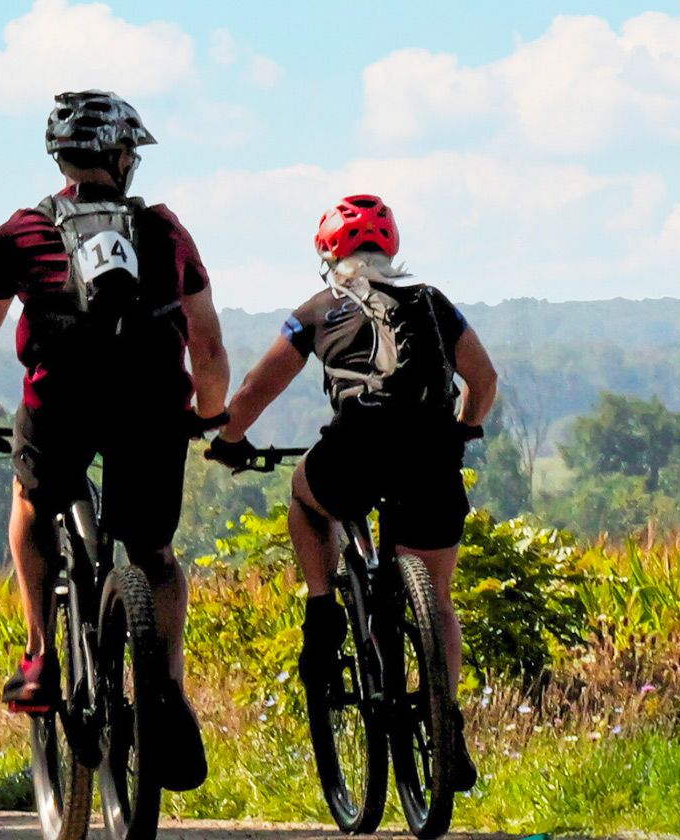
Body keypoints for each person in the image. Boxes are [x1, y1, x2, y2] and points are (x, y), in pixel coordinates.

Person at [0, 90, 229, 791]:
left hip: (58, 406)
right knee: (153, 553)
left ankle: (39, 657)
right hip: (151, 407)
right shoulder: (164, 230)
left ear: (62, 158)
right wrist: (209, 414)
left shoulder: (22, 230)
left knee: (32, 497)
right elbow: (207, 343)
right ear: (124, 160)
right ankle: (170, 690)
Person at [205, 195, 498, 790]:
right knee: (438, 599)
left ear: (328, 253)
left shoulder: (317, 309)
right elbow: (484, 380)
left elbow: (261, 384)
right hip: (431, 457)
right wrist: (463, 429)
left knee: (303, 495)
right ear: (389, 249)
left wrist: (231, 439)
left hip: (356, 453)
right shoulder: (432, 301)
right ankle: (447, 723)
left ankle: (321, 609)